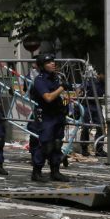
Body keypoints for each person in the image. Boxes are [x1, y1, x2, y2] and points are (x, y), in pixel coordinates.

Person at [29, 54, 70, 182]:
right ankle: (36, 172)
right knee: (46, 145)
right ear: (42, 66)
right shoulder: (40, 80)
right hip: (46, 116)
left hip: (58, 115)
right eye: (48, 62)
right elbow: (48, 97)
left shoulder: (55, 78)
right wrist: (62, 87)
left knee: (57, 144)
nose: (53, 64)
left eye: (53, 61)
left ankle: (55, 171)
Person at [79, 72, 106, 157]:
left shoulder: (104, 83)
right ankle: (84, 148)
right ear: (99, 74)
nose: (105, 77)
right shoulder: (90, 81)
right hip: (87, 105)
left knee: (101, 125)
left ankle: (99, 149)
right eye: (104, 75)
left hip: (97, 105)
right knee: (86, 126)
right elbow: (80, 90)